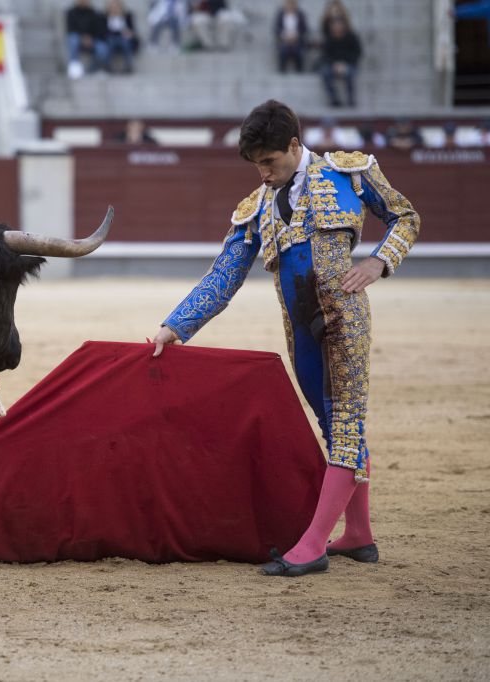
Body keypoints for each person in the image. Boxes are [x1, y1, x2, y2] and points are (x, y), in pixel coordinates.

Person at [151, 100, 420, 577]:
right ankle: (359, 535)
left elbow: (405, 217)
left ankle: (312, 546)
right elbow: (225, 275)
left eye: (269, 162)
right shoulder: (256, 207)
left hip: (344, 319)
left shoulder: (348, 172)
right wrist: (176, 325)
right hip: (300, 332)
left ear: (295, 146)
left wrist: (379, 261)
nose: (263, 173)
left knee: (346, 426)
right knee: (334, 427)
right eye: (256, 164)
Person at [320, 16, 361, 107]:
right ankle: (334, 100)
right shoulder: (329, 39)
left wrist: (344, 64)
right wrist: (335, 65)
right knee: (325, 73)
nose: (337, 27)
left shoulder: (352, 37)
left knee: (350, 74)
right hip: (333, 66)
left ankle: (351, 100)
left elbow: (357, 53)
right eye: (334, 25)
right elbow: (325, 56)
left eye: (339, 25)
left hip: (349, 65)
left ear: (343, 26)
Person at [65, 0, 110, 78]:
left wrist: (91, 38)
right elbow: (71, 28)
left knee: (102, 48)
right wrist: (82, 37)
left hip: (92, 39)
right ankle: (74, 66)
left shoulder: (94, 13)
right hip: (78, 37)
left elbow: (98, 29)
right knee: (73, 39)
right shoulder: (71, 12)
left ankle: (94, 68)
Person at [104, 0, 139, 73]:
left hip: (123, 37)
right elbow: (104, 31)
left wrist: (129, 33)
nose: (115, 9)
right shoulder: (105, 17)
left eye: (116, 7)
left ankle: (128, 65)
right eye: (113, 7)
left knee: (125, 42)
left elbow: (132, 30)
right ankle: (107, 65)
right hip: (111, 37)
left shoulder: (127, 16)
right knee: (110, 42)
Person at [274, 0, 308, 73]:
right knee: (283, 50)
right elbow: (277, 28)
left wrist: (296, 35)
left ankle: (299, 71)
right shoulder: (281, 15)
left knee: (298, 51)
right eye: (288, 4)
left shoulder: (300, 15)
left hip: (297, 40)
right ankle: (282, 71)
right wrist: (285, 36)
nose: (290, 6)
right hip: (284, 40)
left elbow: (304, 28)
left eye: (292, 4)